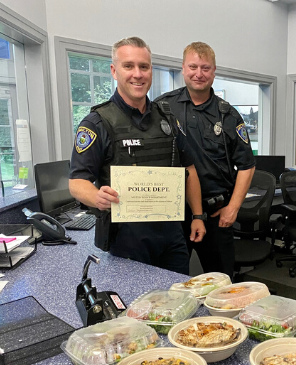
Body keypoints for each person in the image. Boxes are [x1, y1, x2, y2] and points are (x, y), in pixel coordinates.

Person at [69, 36, 206, 275]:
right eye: (128, 66)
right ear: (114, 70)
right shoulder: (97, 123)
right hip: (125, 240)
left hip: (171, 236)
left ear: (151, 70)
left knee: (178, 302)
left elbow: (189, 169)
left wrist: (197, 215)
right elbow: (77, 181)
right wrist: (96, 197)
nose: (138, 74)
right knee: (133, 307)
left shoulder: (167, 119)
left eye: (144, 66)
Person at [154, 42, 255, 280]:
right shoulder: (162, 107)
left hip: (215, 214)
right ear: (183, 68)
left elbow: (247, 166)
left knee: (221, 284)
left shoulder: (228, 115)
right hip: (173, 216)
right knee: (169, 282)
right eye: (193, 66)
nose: (199, 73)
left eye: (205, 68)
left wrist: (233, 208)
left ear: (214, 71)